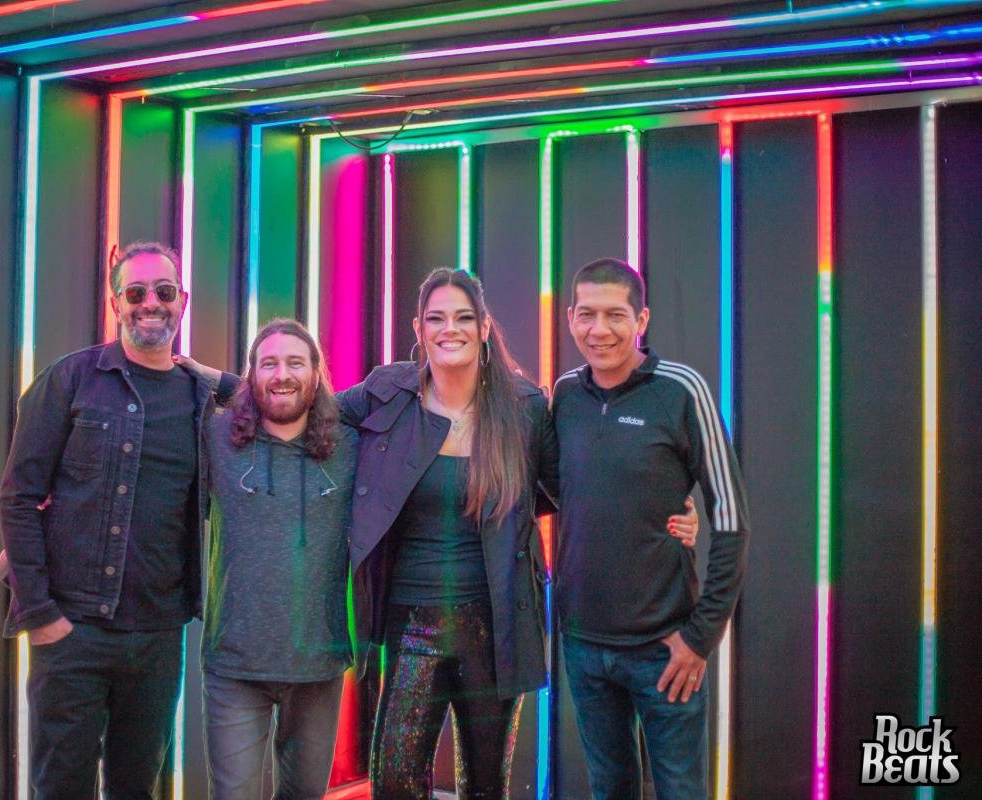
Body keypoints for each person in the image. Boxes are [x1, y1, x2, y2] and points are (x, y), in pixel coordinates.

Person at [338, 268, 698, 799]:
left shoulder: (524, 407)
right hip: (409, 621)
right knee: (395, 783)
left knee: (486, 786)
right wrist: (225, 385)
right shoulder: (386, 392)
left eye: (464, 317)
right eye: (436, 318)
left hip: (497, 622)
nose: (450, 329)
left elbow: (574, 485)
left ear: (484, 327)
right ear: (418, 328)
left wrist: (665, 508)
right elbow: (311, 415)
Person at [0, 241, 235, 799]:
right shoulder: (72, 379)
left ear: (182, 301)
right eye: (136, 292)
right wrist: (41, 615)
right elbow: (18, 497)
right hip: (73, 630)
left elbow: (286, 401)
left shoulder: (199, 399)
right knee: (62, 788)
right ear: (116, 304)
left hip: (157, 636)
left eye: (164, 291)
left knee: (136, 788)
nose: (151, 302)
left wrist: (215, 377)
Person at [552, 258, 750, 800]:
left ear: (641, 320)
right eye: (587, 314)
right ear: (570, 318)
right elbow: (554, 488)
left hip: (665, 649)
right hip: (584, 645)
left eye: (615, 315)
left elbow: (731, 520)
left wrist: (699, 639)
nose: (599, 330)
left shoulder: (681, 389)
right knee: (609, 788)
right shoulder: (565, 395)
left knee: (680, 790)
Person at [201, 319, 358, 799]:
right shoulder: (215, 437)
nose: (282, 374)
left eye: (295, 362)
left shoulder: (352, 445)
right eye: (268, 364)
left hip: (318, 665)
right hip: (235, 664)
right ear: (251, 374)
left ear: (316, 372)